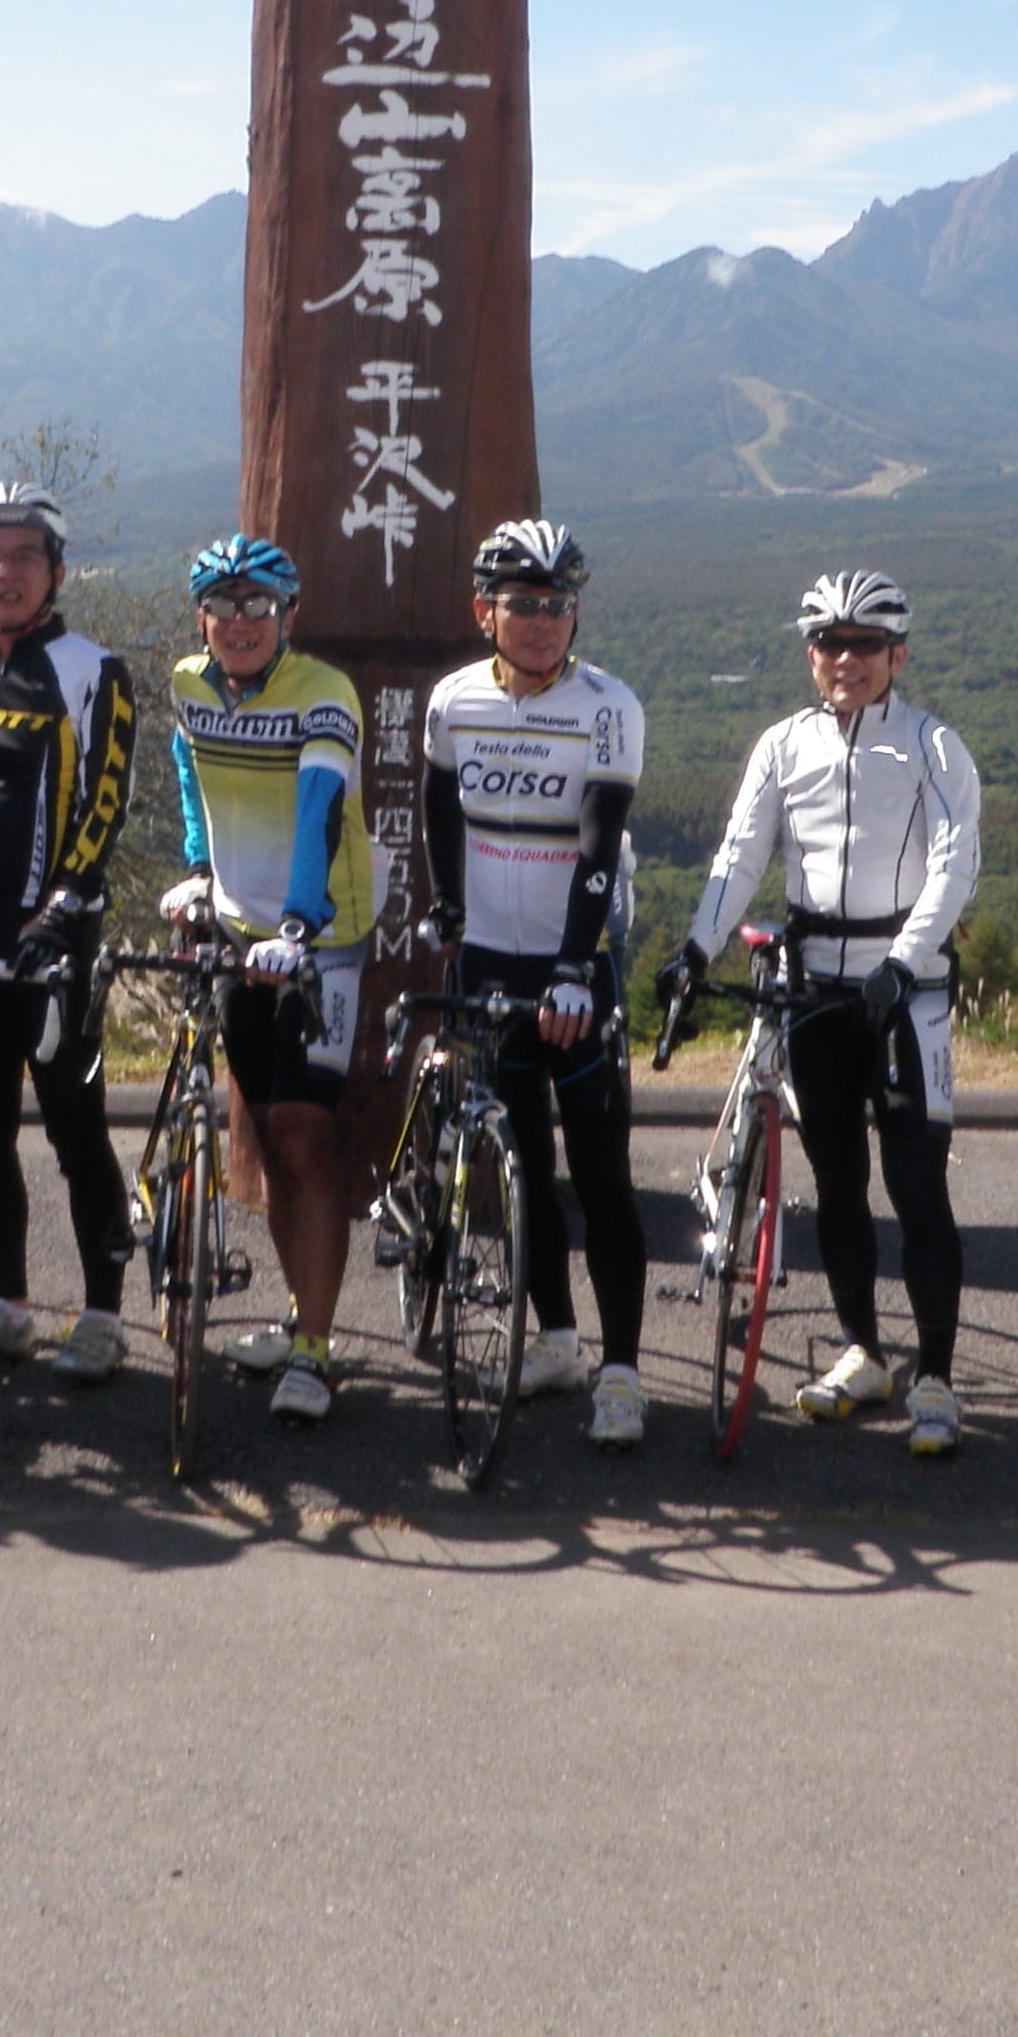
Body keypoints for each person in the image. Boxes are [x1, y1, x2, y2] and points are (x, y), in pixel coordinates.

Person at [664, 569, 984, 1457]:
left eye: (867, 646)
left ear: (898, 655)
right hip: (815, 992)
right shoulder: (783, 747)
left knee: (918, 1186)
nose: (847, 660)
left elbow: (956, 869)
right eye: (831, 645)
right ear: (812, 656)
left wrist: (902, 964)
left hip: (904, 992)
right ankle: (864, 1353)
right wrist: (694, 949)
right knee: (837, 1181)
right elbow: (739, 857)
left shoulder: (933, 746)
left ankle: (940, 1378)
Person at [419, 518, 652, 1449]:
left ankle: (624, 1371)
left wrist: (572, 970)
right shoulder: (452, 702)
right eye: (525, 604)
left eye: (560, 605)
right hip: (489, 963)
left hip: (572, 961)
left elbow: (598, 839)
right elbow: (439, 803)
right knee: (521, 1169)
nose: (545, 621)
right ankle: (556, 1338)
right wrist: (447, 911)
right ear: (486, 610)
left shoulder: (607, 704)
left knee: (603, 1178)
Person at [0, 481, 139, 1377]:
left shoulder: (94, 669)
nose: (6, 572)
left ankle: (100, 1317)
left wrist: (63, 906)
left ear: (54, 570)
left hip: (56, 936)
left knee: (74, 1129)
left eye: (24, 556)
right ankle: (9, 1306)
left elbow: (106, 800)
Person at [170, 533, 371, 1428]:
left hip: (319, 939)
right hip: (236, 935)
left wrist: (297, 922)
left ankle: (318, 1355)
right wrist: (193, 868)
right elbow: (190, 780)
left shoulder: (324, 694)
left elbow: (319, 810)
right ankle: (302, 1317)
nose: (240, 623)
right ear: (203, 619)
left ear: (288, 614)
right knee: (267, 1132)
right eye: (224, 607)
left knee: (302, 1137)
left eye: (259, 607)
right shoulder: (188, 686)